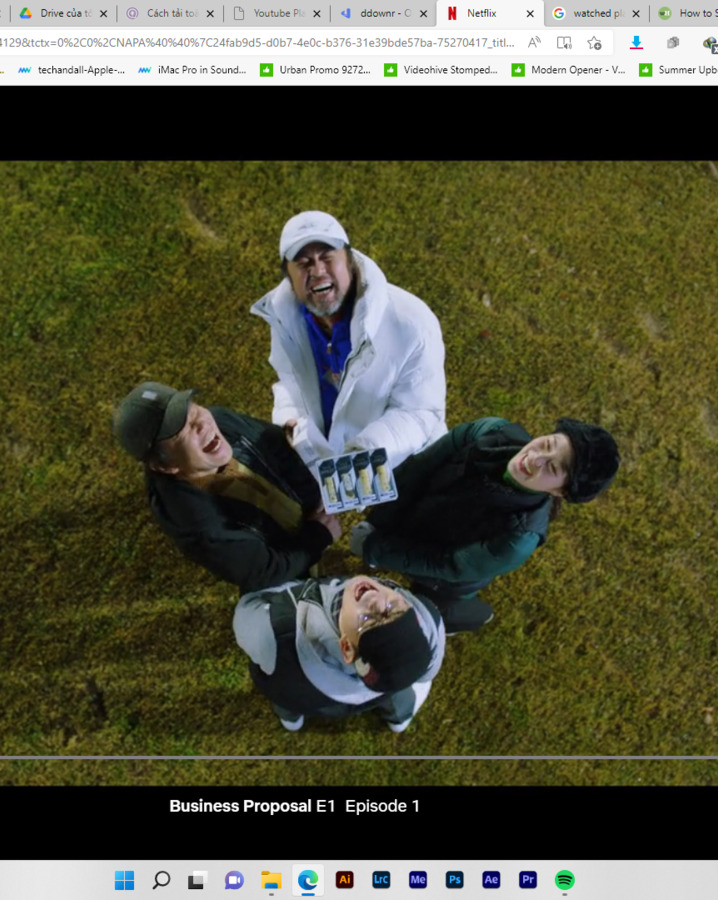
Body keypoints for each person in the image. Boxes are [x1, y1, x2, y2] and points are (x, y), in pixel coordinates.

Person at [348, 417, 620, 633]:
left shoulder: (519, 539)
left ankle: (468, 616)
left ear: (560, 492)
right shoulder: (491, 430)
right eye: (547, 444)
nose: (534, 459)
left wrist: (376, 549)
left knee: (429, 611)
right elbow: (419, 468)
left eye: (551, 468)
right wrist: (378, 519)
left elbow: (446, 564)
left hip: (446, 579)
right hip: (425, 516)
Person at [250, 211, 448, 473]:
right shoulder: (285, 318)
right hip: (329, 462)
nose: (318, 271)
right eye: (303, 262)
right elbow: (290, 381)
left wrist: (363, 454)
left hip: (410, 462)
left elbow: (420, 412)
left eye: (327, 257)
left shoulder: (413, 323)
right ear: (288, 274)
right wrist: (290, 419)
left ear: (350, 260)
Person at [113, 380, 342, 594]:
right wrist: (317, 537)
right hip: (283, 563)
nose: (202, 423)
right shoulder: (191, 519)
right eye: (183, 430)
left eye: (193, 410)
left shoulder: (221, 420)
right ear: (166, 466)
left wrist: (315, 498)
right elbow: (262, 571)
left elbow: (277, 445)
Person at [234, 574, 445, 732]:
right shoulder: (429, 621)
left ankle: (291, 719)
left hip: (300, 691)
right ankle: (399, 718)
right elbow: (428, 672)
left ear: (346, 647)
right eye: (395, 609)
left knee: (285, 696)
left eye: (368, 620)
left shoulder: (277, 629)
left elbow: (245, 611)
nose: (376, 600)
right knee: (395, 692)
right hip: (379, 691)